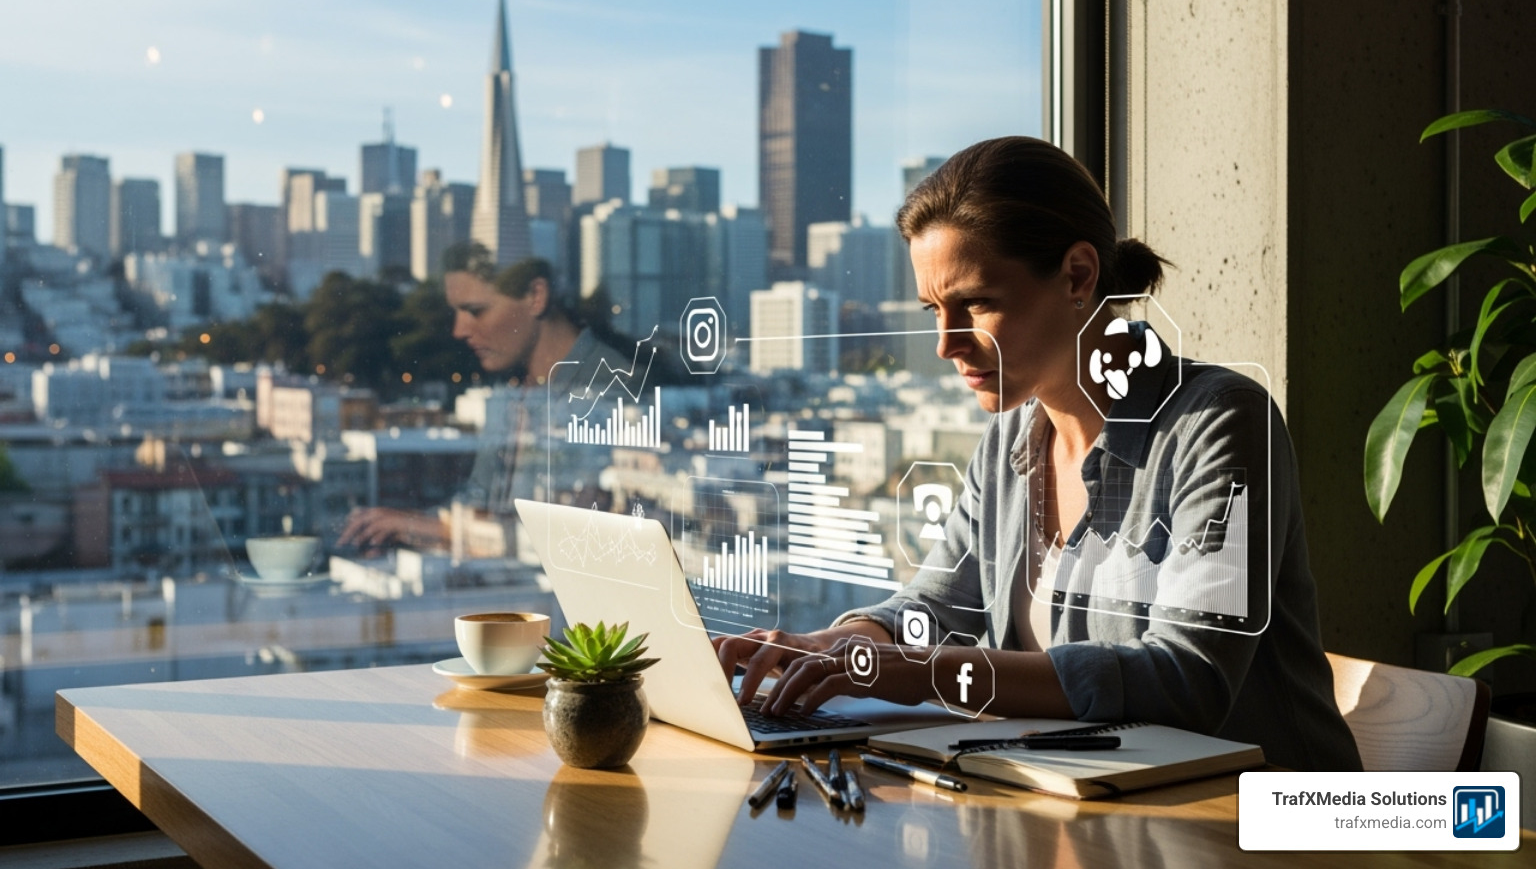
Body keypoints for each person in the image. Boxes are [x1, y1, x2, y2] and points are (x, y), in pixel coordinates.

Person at [714, 136, 1361, 772]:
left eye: (976, 304)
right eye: (934, 309)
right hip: (1088, 818)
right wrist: (834, 645)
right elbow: (940, 607)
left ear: (1078, 275)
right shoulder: (1011, 439)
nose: (946, 344)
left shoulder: (1218, 421)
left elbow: (1187, 680)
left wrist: (922, 673)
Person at [341, 243, 626, 554]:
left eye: (475, 310)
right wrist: (410, 526)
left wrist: (413, 526)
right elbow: (481, 508)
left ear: (536, 297)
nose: (458, 330)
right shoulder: (512, 398)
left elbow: (565, 543)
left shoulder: (615, 391)